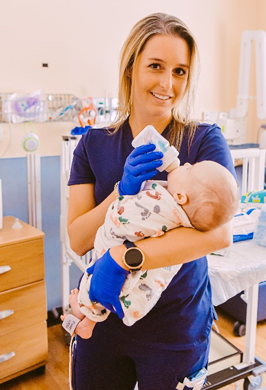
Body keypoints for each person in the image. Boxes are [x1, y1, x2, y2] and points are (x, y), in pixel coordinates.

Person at [67, 12, 237, 390]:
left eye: (180, 71)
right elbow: (77, 238)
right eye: (155, 66)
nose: (167, 83)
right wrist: (120, 191)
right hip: (104, 324)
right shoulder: (93, 145)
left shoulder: (204, 141)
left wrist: (123, 257)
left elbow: (219, 235)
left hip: (175, 329)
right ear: (131, 69)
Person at [62, 160, 239, 339]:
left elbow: (127, 218)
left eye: (189, 169)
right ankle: (88, 320)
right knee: (107, 283)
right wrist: (120, 190)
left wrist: (120, 254)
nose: (185, 163)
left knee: (103, 283)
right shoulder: (182, 210)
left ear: (180, 197)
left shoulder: (165, 208)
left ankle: (85, 314)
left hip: (177, 319)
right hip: (116, 333)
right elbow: (78, 242)